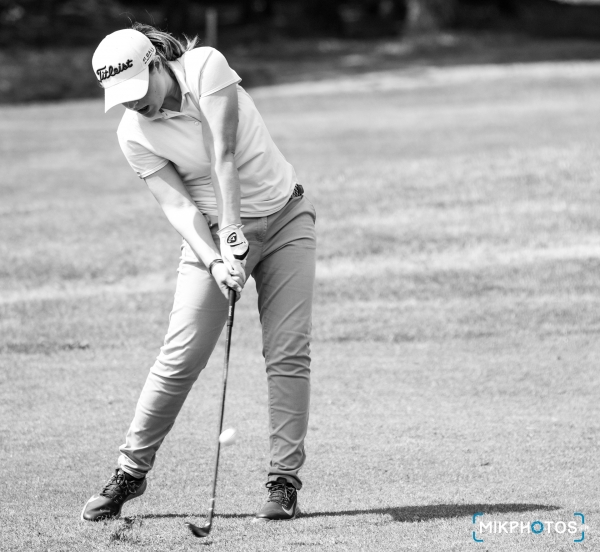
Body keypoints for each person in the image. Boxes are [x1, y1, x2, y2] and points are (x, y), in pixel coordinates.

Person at [81, 24, 316, 523]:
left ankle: (283, 482)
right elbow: (177, 206)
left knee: (287, 352)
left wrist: (233, 231)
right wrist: (214, 258)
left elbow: (221, 155)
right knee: (181, 355)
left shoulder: (206, 66)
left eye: (137, 89)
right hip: (209, 234)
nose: (134, 103)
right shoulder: (132, 133)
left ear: (154, 63)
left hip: (286, 219)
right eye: (121, 98)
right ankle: (130, 472)